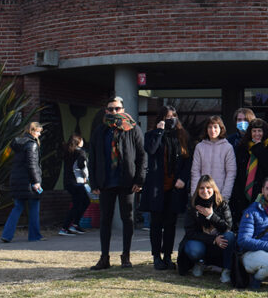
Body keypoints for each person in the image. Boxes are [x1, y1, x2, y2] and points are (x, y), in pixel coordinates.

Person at [88, 96, 146, 270]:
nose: (114, 112)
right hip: (105, 182)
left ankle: (126, 256)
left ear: (123, 110)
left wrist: (140, 179)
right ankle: (104, 257)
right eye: (111, 109)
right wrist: (93, 182)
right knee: (105, 220)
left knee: (127, 219)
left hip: (127, 182)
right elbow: (93, 157)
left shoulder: (133, 129)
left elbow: (142, 156)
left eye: (117, 109)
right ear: (106, 111)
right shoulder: (99, 131)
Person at [140, 107, 192, 270]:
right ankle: (156, 256)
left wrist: (183, 179)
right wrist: (159, 131)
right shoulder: (151, 135)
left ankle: (168, 256)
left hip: (175, 187)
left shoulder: (182, 136)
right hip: (157, 187)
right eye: (167, 117)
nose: (170, 120)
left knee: (170, 224)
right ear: (160, 119)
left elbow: (187, 160)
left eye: (173, 117)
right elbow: (151, 149)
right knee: (156, 223)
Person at [180, 175, 235, 283]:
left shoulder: (222, 204)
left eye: (208, 187)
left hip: (220, 245)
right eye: (201, 188)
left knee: (230, 237)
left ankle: (227, 269)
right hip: (202, 242)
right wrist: (213, 239)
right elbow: (190, 232)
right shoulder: (192, 205)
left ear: (213, 189)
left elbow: (228, 227)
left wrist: (211, 216)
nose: (205, 191)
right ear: (197, 190)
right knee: (193, 248)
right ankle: (200, 263)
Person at [1, 122, 44, 243]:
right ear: (32, 131)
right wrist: (36, 181)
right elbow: (32, 165)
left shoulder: (17, 144)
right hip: (29, 181)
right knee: (34, 207)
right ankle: (35, 235)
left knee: (17, 207)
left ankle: (7, 234)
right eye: (38, 131)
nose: (39, 134)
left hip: (17, 180)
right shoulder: (32, 145)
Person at [231, 118, 268, 225]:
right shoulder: (242, 148)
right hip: (242, 193)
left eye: (260, 131)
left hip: (262, 194)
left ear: (265, 132)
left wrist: (258, 147)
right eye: (254, 131)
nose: (257, 134)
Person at [190, 115, 236, 202]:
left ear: (221, 128)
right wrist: (194, 194)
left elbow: (231, 172)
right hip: (203, 193)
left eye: (215, 127)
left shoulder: (228, 147)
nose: (212, 130)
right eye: (210, 127)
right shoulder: (200, 147)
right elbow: (195, 171)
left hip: (220, 193)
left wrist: (225, 195)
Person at [59, 133, 90, 236]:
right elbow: (82, 166)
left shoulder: (68, 152)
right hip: (77, 182)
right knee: (82, 202)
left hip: (68, 181)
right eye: (81, 140)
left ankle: (75, 224)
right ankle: (65, 227)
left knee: (81, 202)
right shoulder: (80, 153)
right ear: (78, 142)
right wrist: (86, 177)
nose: (83, 141)